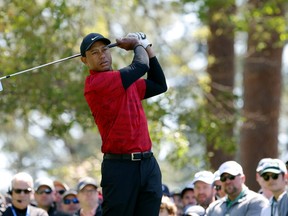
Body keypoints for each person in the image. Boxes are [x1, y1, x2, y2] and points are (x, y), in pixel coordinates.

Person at [80, 31, 167, 216]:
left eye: (104, 49)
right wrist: (137, 45)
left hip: (148, 164)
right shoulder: (95, 84)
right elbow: (141, 65)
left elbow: (159, 84)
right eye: (94, 52)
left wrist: (147, 47)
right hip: (120, 169)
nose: (102, 55)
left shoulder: (127, 83)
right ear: (84, 60)